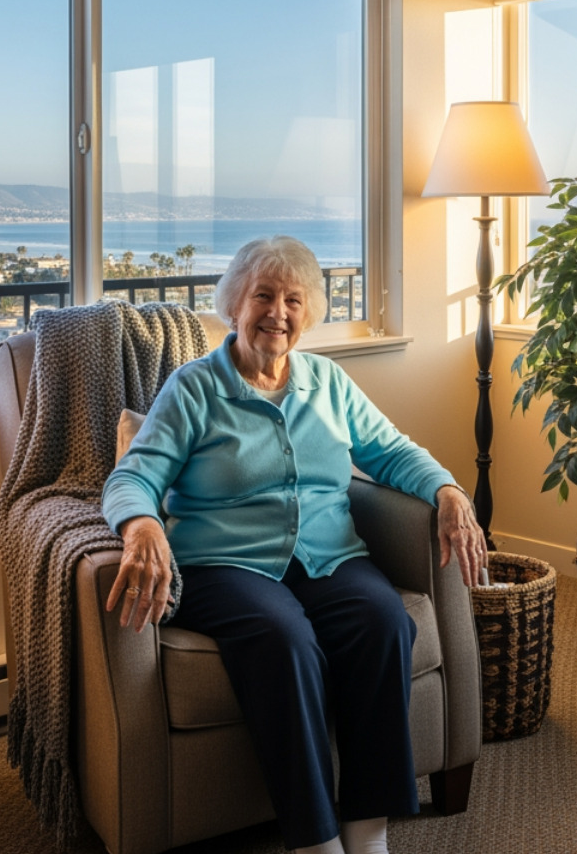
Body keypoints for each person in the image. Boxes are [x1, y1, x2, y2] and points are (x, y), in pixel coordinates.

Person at [101, 236, 485, 854]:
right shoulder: (193, 388)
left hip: (328, 555)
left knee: (385, 620)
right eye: (263, 295)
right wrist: (140, 525)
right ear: (234, 305)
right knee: (286, 641)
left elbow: (388, 450)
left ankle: (369, 830)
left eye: (292, 299)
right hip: (225, 563)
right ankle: (315, 840)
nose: (277, 311)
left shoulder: (327, 381)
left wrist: (445, 489)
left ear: (308, 313)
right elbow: (133, 476)